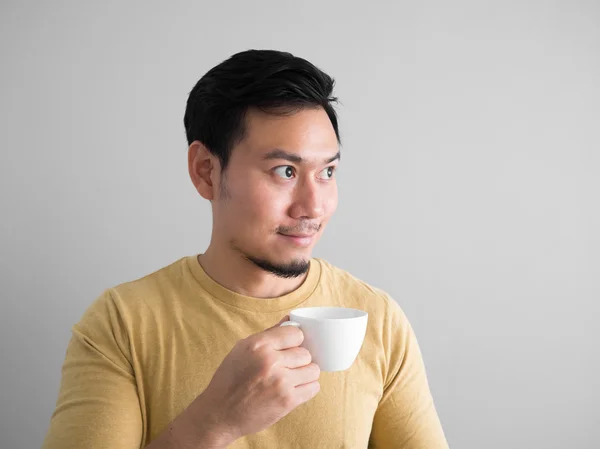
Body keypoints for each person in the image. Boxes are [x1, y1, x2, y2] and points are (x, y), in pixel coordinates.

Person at [42, 49, 449, 449]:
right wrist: (212, 424)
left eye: (327, 172)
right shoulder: (121, 324)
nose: (313, 207)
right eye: (285, 171)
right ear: (206, 171)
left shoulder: (379, 320)